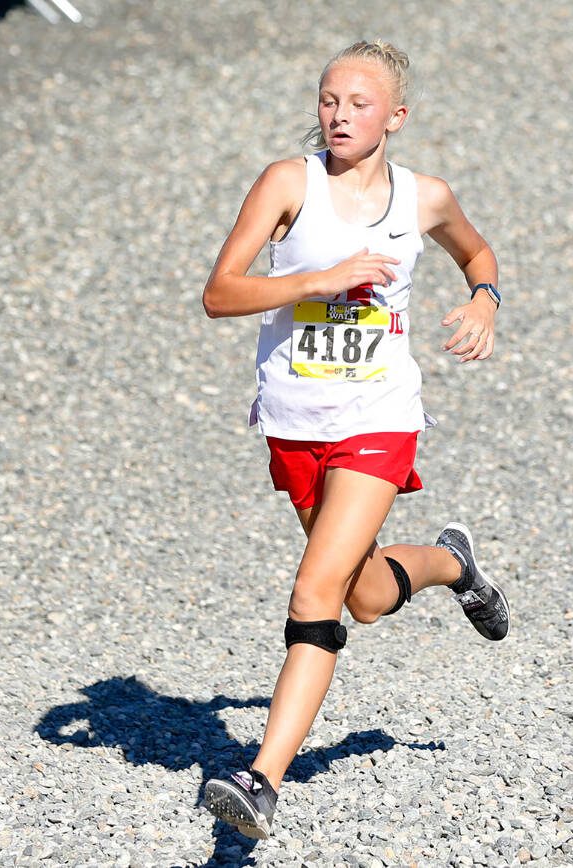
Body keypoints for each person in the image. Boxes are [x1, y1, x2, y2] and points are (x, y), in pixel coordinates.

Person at [199, 40, 510, 840]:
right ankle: (452, 565)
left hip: (379, 417)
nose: (338, 115)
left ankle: (261, 781)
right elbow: (220, 293)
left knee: (313, 593)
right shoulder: (285, 184)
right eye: (329, 100)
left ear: (396, 117)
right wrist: (316, 280)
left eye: (359, 104)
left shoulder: (423, 198)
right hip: (295, 421)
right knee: (363, 597)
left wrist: (483, 301)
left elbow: (477, 252)